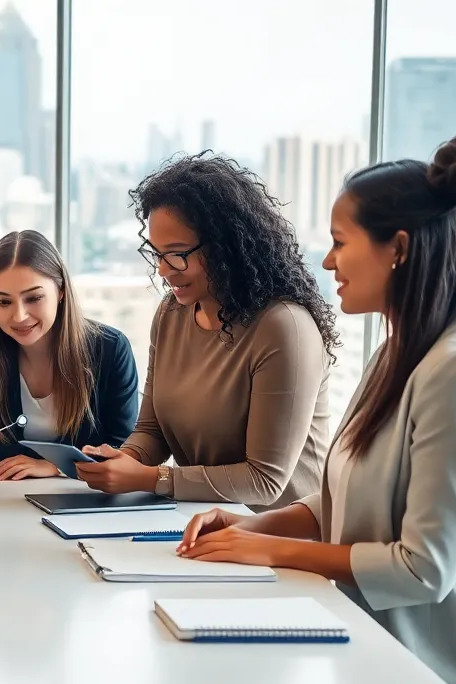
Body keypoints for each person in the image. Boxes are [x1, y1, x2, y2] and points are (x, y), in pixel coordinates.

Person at [177, 135, 456, 684]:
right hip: (379, 671)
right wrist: (251, 525)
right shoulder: (399, 353)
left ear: (398, 250)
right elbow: (345, 506)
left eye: (339, 240)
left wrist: (269, 550)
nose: (328, 262)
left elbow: (422, 568)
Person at [75, 153, 336, 511]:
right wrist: (122, 461)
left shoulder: (283, 328)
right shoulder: (171, 314)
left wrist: (150, 479)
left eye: (178, 254)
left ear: (227, 245)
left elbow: (264, 482)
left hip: (280, 543)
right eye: (157, 254)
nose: (164, 270)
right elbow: (152, 431)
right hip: (203, 526)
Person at [0, 230, 139, 480]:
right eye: (3, 302)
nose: (19, 316)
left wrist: (55, 467)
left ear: (61, 291)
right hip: (1, 497)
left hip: (85, 500)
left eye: (33, 298)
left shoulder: (110, 348)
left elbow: (124, 450)